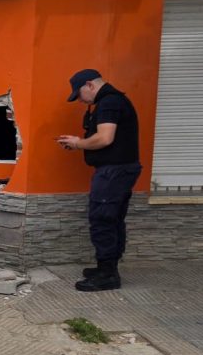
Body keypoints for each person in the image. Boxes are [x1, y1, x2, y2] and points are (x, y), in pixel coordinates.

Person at [56, 69, 142, 292]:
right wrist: (79, 143)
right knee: (113, 219)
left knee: (102, 219)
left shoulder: (109, 102)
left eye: (79, 94)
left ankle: (107, 274)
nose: (80, 100)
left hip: (114, 172)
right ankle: (108, 267)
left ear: (90, 85)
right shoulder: (114, 100)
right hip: (120, 170)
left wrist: (77, 143)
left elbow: (104, 138)